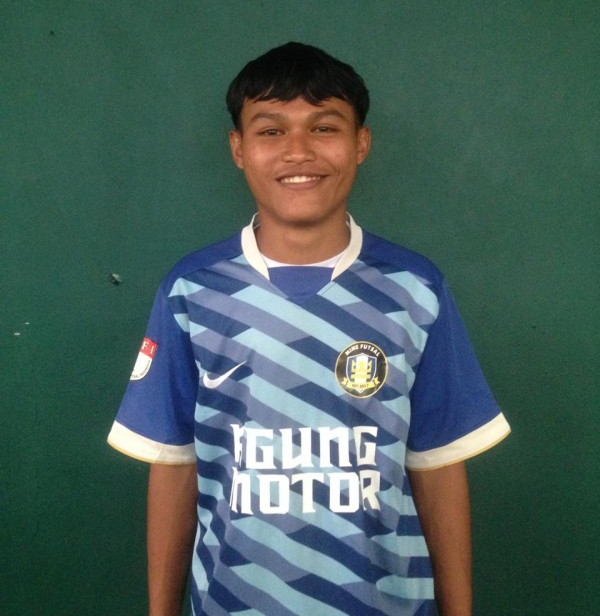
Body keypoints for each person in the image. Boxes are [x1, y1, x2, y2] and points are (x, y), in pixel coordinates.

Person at [108, 42, 510, 616]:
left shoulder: (415, 289)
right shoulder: (192, 290)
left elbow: (439, 465)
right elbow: (173, 464)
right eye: (271, 131)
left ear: (361, 143)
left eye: (324, 127)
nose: (298, 151)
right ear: (238, 148)